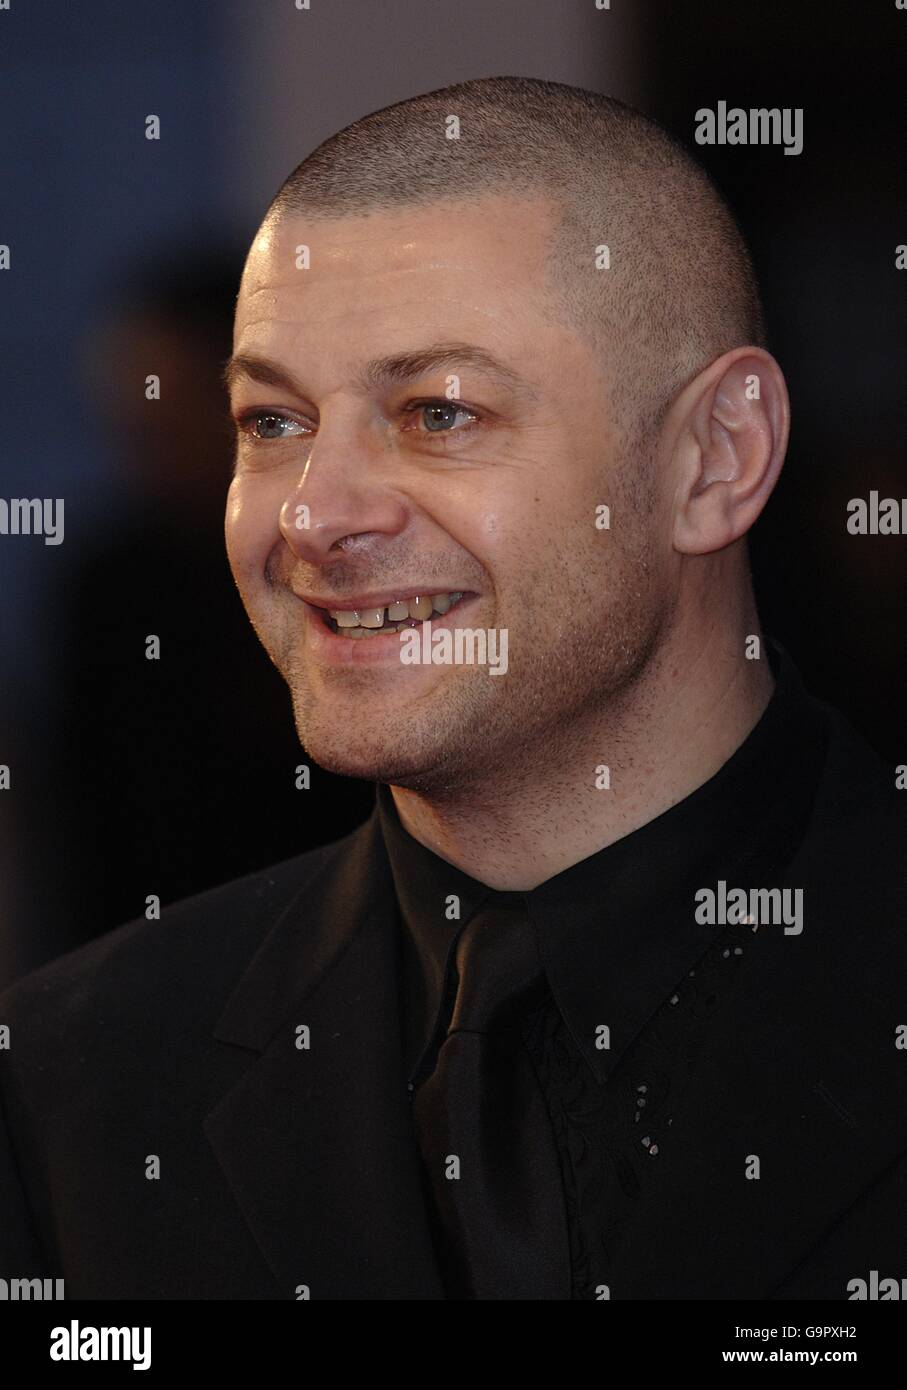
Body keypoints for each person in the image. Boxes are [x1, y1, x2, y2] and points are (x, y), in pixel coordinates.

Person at [1, 76, 904, 1301]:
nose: (314, 515)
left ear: (715, 456)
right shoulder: (77, 1083)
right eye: (271, 422)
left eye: (437, 411)